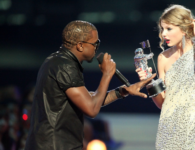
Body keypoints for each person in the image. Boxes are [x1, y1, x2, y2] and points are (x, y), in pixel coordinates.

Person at [24, 20, 156, 150]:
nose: (97, 47)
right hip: (55, 145)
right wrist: (106, 74)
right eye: (95, 43)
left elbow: (89, 99)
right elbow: (91, 109)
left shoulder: (56, 61)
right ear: (80, 45)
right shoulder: (65, 66)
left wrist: (122, 91)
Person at [136, 4, 195, 150]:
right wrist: (148, 82)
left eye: (169, 29)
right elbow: (163, 103)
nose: (163, 34)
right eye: (162, 29)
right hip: (168, 130)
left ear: (184, 28)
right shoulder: (163, 58)